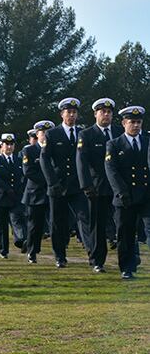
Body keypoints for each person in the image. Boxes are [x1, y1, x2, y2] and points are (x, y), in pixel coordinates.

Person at [40, 97, 94, 268]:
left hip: (78, 185)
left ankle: (93, 255)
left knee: (85, 218)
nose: (71, 115)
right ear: (62, 114)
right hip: (58, 185)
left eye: (74, 112)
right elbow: (44, 159)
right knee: (58, 223)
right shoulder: (52, 134)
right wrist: (52, 182)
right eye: (68, 112)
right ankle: (60, 256)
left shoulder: (82, 133)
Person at [77, 98, 122, 273]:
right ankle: (97, 260)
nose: (106, 115)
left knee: (123, 224)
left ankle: (126, 259)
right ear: (95, 114)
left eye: (109, 112)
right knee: (98, 225)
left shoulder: (119, 132)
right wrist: (86, 185)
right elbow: (81, 162)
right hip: (97, 187)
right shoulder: (86, 135)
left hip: (118, 187)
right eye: (103, 111)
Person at [104, 106, 149, 279]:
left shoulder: (147, 141)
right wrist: (122, 193)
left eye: (139, 122)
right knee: (126, 234)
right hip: (125, 197)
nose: (136, 126)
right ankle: (127, 268)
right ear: (124, 123)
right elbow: (112, 171)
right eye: (132, 122)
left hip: (145, 195)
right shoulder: (114, 144)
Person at [23, 121, 53, 263]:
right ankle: (32, 251)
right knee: (35, 225)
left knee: (55, 224)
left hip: (53, 192)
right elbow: (28, 171)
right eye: (43, 133)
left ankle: (59, 254)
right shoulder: (29, 150)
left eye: (48, 133)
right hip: (35, 193)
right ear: (37, 134)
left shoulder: (54, 149)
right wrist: (49, 180)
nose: (45, 136)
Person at [0, 134, 24, 258]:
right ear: (1, 146)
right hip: (0, 198)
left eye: (11, 144)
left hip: (15, 197)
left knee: (17, 219)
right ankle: (3, 250)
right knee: (1, 226)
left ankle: (20, 240)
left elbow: (22, 176)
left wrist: (18, 190)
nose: (9, 147)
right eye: (6, 144)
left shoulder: (19, 160)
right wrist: (7, 189)